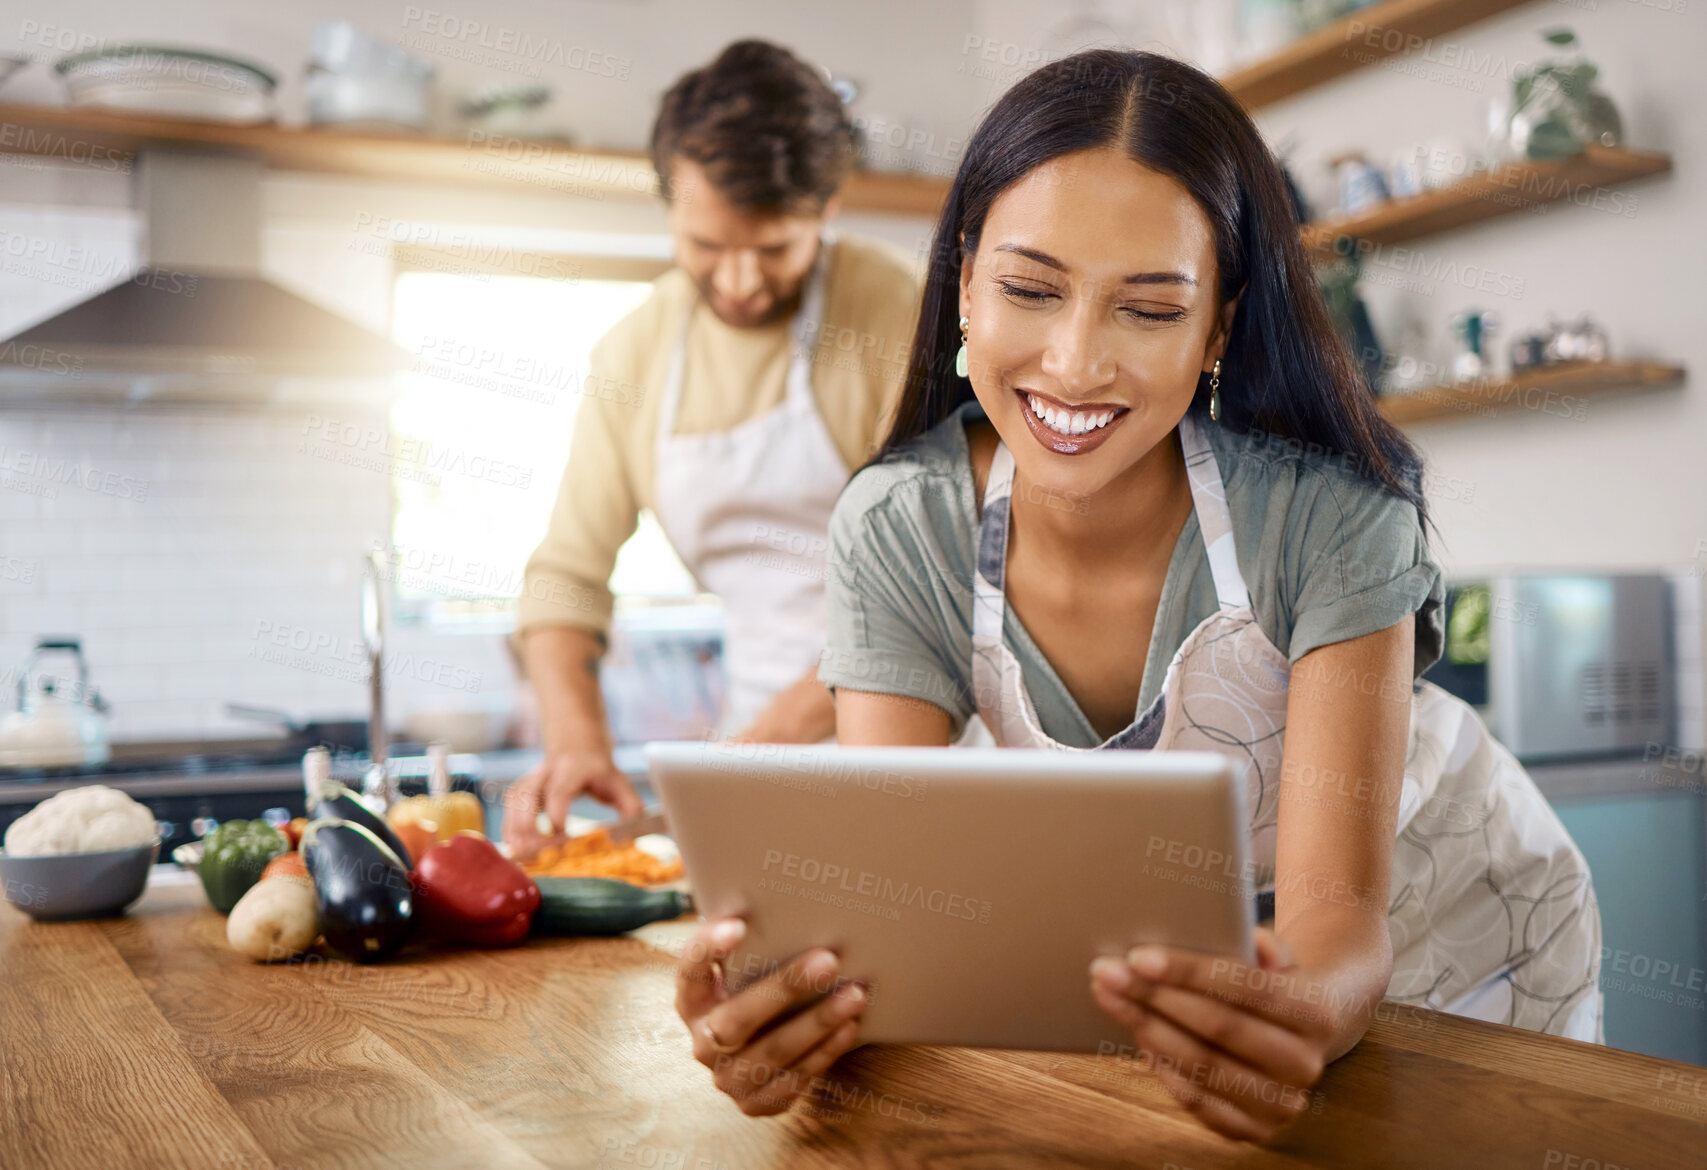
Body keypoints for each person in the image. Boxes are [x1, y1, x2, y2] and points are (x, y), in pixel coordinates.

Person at [672, 48, 1602, 1142]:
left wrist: (1298, 1005)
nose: (1074, 364)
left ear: (1218, 326)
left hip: (1449, 917)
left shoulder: (1334, 518)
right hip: (1184, 985)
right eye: (1029, 290)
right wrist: (798, 1020)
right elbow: (899, 907)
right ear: (965, 280)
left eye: (1148, 310)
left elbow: (1337, 924)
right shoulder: (899, 525)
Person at [507, 41, 921, 855]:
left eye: (773, 249)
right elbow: (566, 578)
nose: (738, 281)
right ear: (667, 209)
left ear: (827, 208)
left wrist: (746, 761)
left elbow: (928, 593)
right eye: (705, 246)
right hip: (756, 736)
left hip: (913, 744)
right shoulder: (633, 355)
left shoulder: (893, 309)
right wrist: (577, 739)